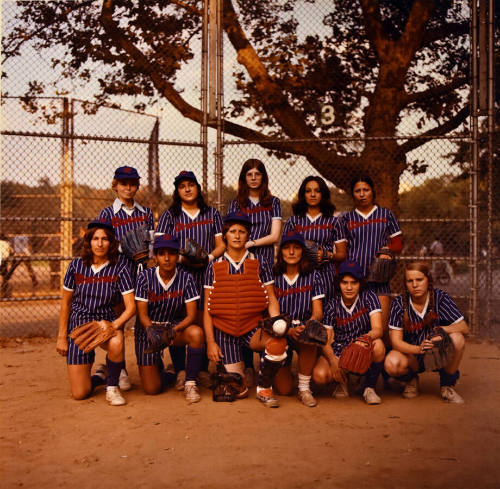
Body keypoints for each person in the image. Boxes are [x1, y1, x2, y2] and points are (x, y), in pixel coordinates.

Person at [203, 211, 284, 407]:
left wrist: (277, 322)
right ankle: (234, 374)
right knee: (238, 390)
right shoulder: (214, 266)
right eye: (232, 231)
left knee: (277, 344)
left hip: (252, 326)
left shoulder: (259, 263)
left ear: (248, 235)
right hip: (224, 331)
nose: (237, 236)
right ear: (225, 235)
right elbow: (207, 309)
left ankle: (264, 388)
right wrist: (211, 342)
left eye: (242, 231)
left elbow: (271, 297)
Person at [155, 170, 225, 389]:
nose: (187, 189)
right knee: (178, 317)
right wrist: (181, 257)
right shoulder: (170, 215)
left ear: (198, 188)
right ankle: (180, 369)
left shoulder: (212, 213)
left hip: (205, 272)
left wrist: (208, 257)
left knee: (204, 317)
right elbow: (159, 246)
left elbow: (221, 244)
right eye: (182, 185)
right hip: (180, 272)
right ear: (177, 191)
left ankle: (201, 368)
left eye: (191, 184)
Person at [56, 219, 136, 406]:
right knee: (80, 393)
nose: (100, 244)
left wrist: (114, 325)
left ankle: (112, 387)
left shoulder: (120, 267)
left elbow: (131, 306)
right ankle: (101, 376)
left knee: (117, 340)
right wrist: (61, 336)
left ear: (111, 243)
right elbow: (66, 304)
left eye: (105, 239)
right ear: (89, 241)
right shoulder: (75, 266)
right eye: (95, 239)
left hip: (104, 323)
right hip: (79, 325)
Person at [98, 166, 154, 390]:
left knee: (145, 318)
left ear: (137, 185)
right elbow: (103, 245)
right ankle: (118, 367)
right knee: (119, 320)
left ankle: (152, 361)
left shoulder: (145, 213)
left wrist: (145, 256)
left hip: (140, 272)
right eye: (123, 183)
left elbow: (149, 244)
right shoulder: (107, 214)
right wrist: (126, 248)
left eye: (132, 183)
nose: (128, 187)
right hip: (118, 271)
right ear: (115, 185)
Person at [228, 159, 283, 385]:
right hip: (241, 261)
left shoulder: (273, 202)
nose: (253, 177)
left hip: (265, 262)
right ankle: (247, 365)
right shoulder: (236, 203)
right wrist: (243, 249)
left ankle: (265, 364)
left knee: (263, 310)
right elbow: (230, 233)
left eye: (257, 173)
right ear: (244, 177)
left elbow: (275, 236)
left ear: (263, 177)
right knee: (244, 309)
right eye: (249, 173)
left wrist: (251, 244)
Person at [384, 261, 469, 403]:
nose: (415, 285)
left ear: (428, 280)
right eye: (410, 281)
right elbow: (396, 342)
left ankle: (446, 385)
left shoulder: (439, 298)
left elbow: (463, 327)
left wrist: (441, 331)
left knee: (458, 339)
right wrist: (419, 349)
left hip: (438, 352)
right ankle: (411, 380)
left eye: (419, 279)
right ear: (405, 283)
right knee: (392, 363)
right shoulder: (399, 303)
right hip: (413, 355)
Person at [134, 234, 205, 403]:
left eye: (172, 253)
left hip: (174, 328)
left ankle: (190, 382)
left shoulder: (186, 278)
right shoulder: (145, 277)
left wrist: (174, 330)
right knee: (152, 389)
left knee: (196, 333)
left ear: (177, 256)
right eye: (162, 253)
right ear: (155, 256)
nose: (167, 258)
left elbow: (191, 316)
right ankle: (170, 373)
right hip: (148, 330)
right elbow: (142, 314)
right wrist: (151, 330)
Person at [313, 260, 386, 405]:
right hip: (340, 347)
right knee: (320, 376)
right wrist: (333, 361)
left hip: (362, 344)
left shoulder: (369, 297)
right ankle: (342, 381)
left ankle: (369, 387)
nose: (349, 287)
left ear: (360, 283)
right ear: (339, 284)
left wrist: (363, 339)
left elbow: (378, 329)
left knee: (378, 346)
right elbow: (325, 339)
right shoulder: (332, 304)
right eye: (344, 282)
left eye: (354, 282)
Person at [341, 176, 402, 337]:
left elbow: (398, 244)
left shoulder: (385, 214)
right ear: (353, 194)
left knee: (381, 329)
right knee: (357, 327)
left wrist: (388, 250)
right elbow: (342, 250)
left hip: (379, 278)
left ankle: (381, 361)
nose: (362, 194)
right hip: (354, 279)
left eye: (365, 190)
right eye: (357, 191)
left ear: (372, 191)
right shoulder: (346, 219)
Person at [272, 230, 325, 407]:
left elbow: (318, 312)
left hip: (302, 329)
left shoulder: (313, 275)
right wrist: (287, 330)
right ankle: (285, 370)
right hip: (281, 331)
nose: (292, 252)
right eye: (287, 248)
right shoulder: (274, 277)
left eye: (296, 247)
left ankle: (304, 388)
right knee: (285, 390)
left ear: (303, 251)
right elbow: (271, 313)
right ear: (281, 252)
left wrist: (305, 326)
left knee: (310, 335)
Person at [283, 176, 347, 300]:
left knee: (326, 313)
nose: (313, 194)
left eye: (317, 191)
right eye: (308, 191)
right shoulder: (293, 221)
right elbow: (285, 251)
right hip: (301, 274)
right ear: (303, 194)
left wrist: (328, 255)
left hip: (326, 274)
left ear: (323, 194)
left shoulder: (334, 221)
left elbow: (342, 254)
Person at [0, 234, 14, 298]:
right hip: (4, 261)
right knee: (5, 277)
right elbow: (12, 252)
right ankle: (5, 293)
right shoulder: (7, 243)